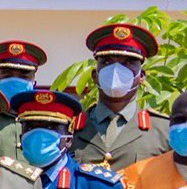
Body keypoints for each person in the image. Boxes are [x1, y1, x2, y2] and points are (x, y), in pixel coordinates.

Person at [73, 23, 171, 170]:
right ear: (95, 75)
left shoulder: (164, 130)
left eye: (128, 63)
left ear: (141, 76)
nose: (116, 70)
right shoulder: (70, 129)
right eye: (107, 62)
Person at [0, 39, 46, 158]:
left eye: (23, 76)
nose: (15, 80)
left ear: (34, 83)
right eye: (7, 75)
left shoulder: (45, 120)